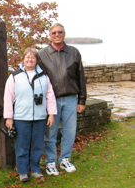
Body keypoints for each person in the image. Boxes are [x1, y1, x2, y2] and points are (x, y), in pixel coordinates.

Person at [38, 23, 87, 176]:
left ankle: (65, 159)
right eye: (54, 32)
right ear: (50, 35)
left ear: (64, 34)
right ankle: (51, 163)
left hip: (72, 99)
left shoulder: (74, 52)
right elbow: (39, 80)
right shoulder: (42, 54)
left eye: (60, 32)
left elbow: (81, 77)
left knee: (69, 132)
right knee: (50, 133)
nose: (57, 34)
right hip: (52, 101)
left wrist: (82, 100)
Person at [3, 48, 57, 182]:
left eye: (33, 57)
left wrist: (51, 114)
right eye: (27, 57)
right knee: (21, 146)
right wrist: (9, 117)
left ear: (37, 60)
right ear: (23, 59)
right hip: (21, 118)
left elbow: (50, 96)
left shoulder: (44, 76)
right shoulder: (14, 76)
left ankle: (35, 170)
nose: (30, 60)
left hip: (40, 117)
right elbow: (8, 98)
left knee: (38, 146)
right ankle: (22, 172)